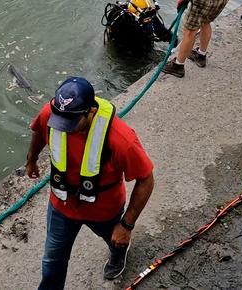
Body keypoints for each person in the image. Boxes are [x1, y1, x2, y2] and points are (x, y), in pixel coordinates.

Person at [25, 77, 155, 289]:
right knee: (52, 261)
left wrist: (126, 225)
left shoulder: (122, 139)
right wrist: (31, 159)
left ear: (91, 112)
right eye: (60, 121)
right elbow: (40, 130)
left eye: (70, 123)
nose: (63, 128)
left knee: (115, 241)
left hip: (104, 211)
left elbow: (146, 180)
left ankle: (118, 254)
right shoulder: (53, 114)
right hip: (61, 206)